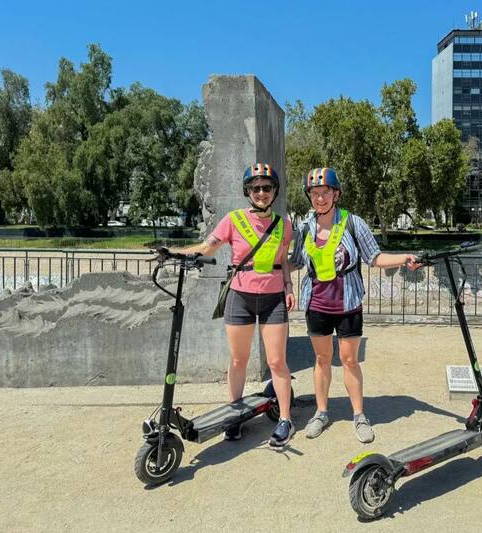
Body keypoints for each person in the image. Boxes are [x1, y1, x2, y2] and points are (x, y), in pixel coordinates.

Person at [290, 167, 420, 443]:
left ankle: (359, 415)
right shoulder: (305, 227)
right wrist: (262, 268)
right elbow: (296, 262)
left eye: (325, 193)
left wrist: (404, 257)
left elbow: (374, 257)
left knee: (349, 360)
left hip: (348, 303)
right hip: (316, 303)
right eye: (315, 193)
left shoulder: (353, 223)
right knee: (322, 359)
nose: (320, 198)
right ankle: (322, 412)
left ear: (336, 194)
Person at [176, 163, 296, 447]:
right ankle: (235, 416)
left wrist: (289, 287)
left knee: (277, 361)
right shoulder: (233, 219)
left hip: (272, 298)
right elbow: (207, 247)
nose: (262, 192)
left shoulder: (284, 225)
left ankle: (285, 420)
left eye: (267, 188)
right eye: (256, 188)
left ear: (274, 191)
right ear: (247, 191)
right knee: (239, 360)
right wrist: (173, 252)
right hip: (240, 296)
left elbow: (283, 262)